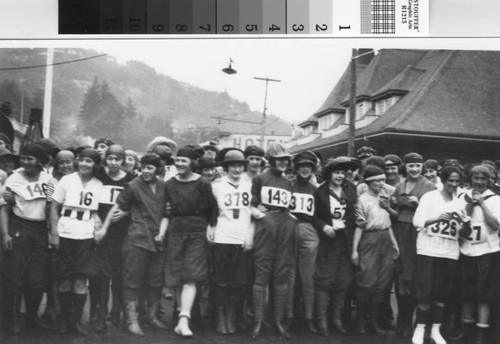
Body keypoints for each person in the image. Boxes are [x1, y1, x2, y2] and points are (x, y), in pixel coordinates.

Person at [162, 146, 218, 337]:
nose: (179, 164)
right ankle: (181, 318)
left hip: (197, 231)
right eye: (177, 160)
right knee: (176, 275)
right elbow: (165, 210)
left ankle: (184, 319)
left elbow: (212, 209)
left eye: (183, 161)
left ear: (192, 164)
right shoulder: (169, 184)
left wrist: (211, 226)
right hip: (176, 231)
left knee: (191, 274)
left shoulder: (202, 183)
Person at [49, 148, 104, 335]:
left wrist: (98, 224)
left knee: (81, 279)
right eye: (81, 160)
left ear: (95, 164)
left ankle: (76, 322)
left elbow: (99, 210)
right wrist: (54, 234)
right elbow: (54, 207)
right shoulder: (67, 179)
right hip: (65, 232)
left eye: (89, 161)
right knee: (64, 278)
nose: (84, 164)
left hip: (86, 234)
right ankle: (63, 319)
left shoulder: (98, 184)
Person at [411, 166, 467, 344]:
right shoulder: (430, 197)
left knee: (442, 294)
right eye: (450, 180)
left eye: (457, 181)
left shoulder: (460, 202)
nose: (454, 184)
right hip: (428, 249)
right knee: (424, 292)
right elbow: (417, 221)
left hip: (449, 252)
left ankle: (436, 329)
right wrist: (437, 218)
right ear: (443, 180)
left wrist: (463, 224)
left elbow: (465, 231)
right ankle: (420, 329)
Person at [1, 143, 51, 334]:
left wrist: (51, 232)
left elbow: (51, 207)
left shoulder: (48, 179)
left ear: (38, 161)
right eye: (23, 158)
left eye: (30, 158)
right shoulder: (14, 178)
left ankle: (32, 317)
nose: (25, 162)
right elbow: (4, 208)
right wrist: (5, 233)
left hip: (40, 230)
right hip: (19, 227)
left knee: (37, 278)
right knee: (14, 277)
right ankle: (12, 320)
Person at [250, 143, 296, 339]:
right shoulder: (260, 178)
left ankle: (278, 321)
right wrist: (262, 217)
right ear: (271, 160)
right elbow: (251, 206)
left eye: (286, 159)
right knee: (262, 271)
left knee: (281, 273)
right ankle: (258, 322)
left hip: (284, 226)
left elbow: (288, 206)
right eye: (280, 159)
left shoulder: (288, 183)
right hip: (266, 227)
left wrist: (290, 218)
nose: (284, 162)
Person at [207, 148, 254, 335]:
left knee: (239, 281)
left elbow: (254, 213)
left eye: (239, 165)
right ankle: (220, 318)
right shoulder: (216, 185)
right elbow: (210, 212)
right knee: (220, 280)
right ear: (226, 167)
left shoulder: (250, 185)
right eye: (232, 165)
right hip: (222, 237)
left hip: (242, 238)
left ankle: (230, 316)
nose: (236, 169)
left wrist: (250, 236)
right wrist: (209, 228)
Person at [90, 145, 135, 333]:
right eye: (110, 158)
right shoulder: (99, 175)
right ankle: (97, 313)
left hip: (122, 232)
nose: (114, 163)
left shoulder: (131, 179)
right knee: (99, 274)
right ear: (105, 159)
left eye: (118, 159)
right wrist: (93, 214)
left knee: (119, 274)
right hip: (100, 231)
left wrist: (125, 213)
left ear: (123, 160)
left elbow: (138, 203)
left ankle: (116, 311)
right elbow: (88, 194)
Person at [312, 157, 358, 336]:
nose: (340, 176)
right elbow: (313, 215)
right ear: (329, 174)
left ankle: (336, 319)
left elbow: (355, 210)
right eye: (336, 172)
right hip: (329, 240)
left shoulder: (351, 189)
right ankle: (322, 320)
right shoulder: (320, 191)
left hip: (346, 239)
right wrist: (323, 225)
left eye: (342, 173)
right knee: (325, 281)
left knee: (343, 281)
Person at [393, 152, 436, 337]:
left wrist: (418, 204)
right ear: (406, 167)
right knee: (400, 273)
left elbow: (433, 213)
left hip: (418, 232)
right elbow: (394, 209)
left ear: (422, 167)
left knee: (412, 276)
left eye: (418, 165)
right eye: (411, 165)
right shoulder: (400, 185)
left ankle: (410, 320)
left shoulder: (429, 186)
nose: (415, 169)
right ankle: (401, 319)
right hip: (400, 230)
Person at [352, 166, 399, 335]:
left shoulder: (384, 197)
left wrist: (394, 243)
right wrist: (354, 250)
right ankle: (360, 320)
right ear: (369, 182)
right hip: (369, 239)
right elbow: (359, 227)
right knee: (367, 282)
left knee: (383, 284)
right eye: (378, 180)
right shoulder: (361, 200)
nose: (381, 183)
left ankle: (374, 320)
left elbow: (389, 222)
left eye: (383, 180)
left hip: (385, 238)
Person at [458, 165, 500, 344]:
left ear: (489, 180)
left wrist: (482, 204)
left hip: (487, 252)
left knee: (484, 294)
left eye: (483, 179)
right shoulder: (462, 196)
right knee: (467, 293)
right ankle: (467, 331)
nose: (479, 182)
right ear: (471, 179)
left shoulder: (495, 199)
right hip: (466, 250)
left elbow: (495, 225)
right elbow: (459, 221)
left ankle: (481, 335)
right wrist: (469, 206)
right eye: (476, 179)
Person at [287, 151, 319, 333]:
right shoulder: (288, 186)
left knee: (308, 277)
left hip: (309, 230)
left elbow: (321, 215)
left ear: (313, 169)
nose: (305, 169)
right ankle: (288, 316)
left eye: (309, 166)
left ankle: (308, 317)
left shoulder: (316, 190)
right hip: (290, 229)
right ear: (296, 168)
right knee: (289, 276)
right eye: (301, 166)